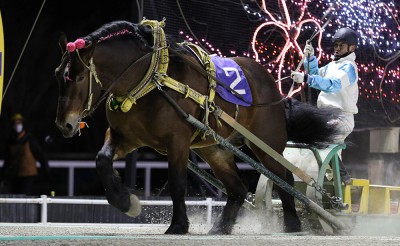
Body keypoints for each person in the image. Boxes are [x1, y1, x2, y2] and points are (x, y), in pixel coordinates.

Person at [290, 27, 359, 185]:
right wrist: (310, 57)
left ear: (352, 48)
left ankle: (343, 177)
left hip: (341, 117)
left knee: (321, 135)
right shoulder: (332, 66)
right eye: (335, 45)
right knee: (316, 142)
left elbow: (332, 85)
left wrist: (306, 78)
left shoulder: (349, 68)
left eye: (341, 45)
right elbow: (315, 73)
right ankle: (336, 182)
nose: (337, 49)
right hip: (327, 115)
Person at [1, 113, 51, 195]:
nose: (17, 126)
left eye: (19, 123)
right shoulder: (10, 141)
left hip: (28, 176)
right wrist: (3, 175)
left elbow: (40, 155)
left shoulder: (30, 139)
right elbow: (8, 160)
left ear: (23, 125)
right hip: (15, 175)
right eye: (15, 123)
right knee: (16, 198)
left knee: (26, 197)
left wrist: (46, 169)